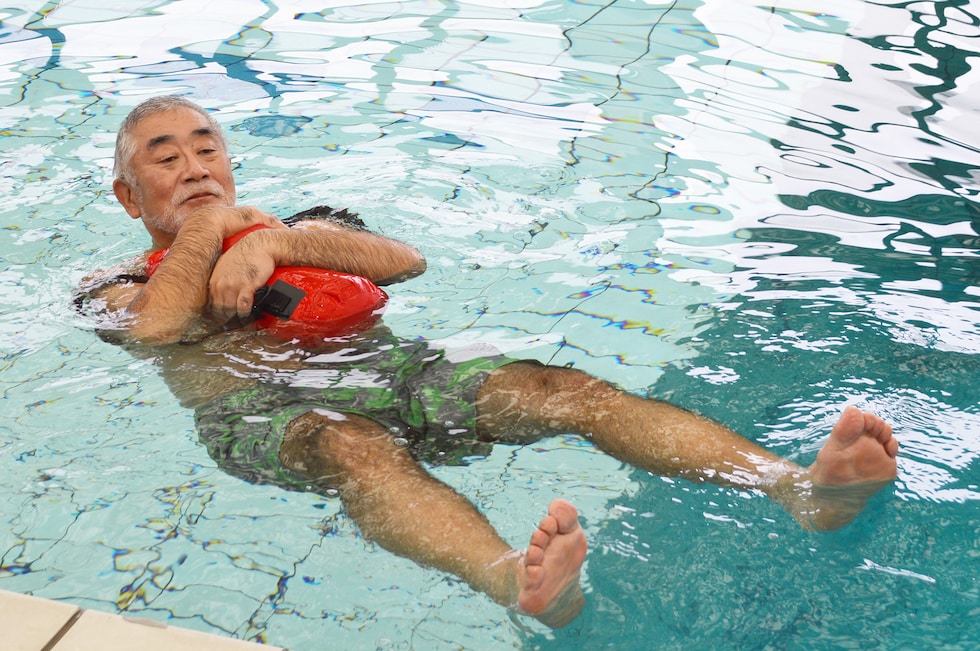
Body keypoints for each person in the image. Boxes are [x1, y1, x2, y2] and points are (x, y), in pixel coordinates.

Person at [78, 96, 900, 628]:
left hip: (393, 371)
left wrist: (271, 241)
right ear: (127, 195)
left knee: (562, 388)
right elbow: (155, 331)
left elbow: (403, 259)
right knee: (357, 446)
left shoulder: (302, 227)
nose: (194, 167)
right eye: (166, 158)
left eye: (206, 150)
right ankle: (516, 580)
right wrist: (205, 230)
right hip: (262, 412)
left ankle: (795, 487)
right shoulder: (112, 285)